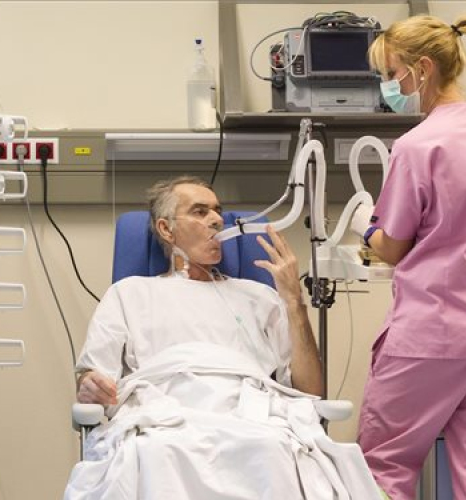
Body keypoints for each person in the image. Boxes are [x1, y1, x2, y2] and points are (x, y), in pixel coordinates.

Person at [64, 176, 387, 500]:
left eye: (217, 211)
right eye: (199, 211)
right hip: (164, 413)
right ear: (166, 229)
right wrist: (91, 384)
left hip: (251, 414)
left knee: (271, 447)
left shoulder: (259, 296)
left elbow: (310, 392)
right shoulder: (129, 294)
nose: (216, 220)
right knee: (157, 452)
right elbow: (93, 376)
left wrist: (293, 301)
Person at [353, 14, 466, 500]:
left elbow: (393, 246)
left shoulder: (418, 144)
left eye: (392, 74)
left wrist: (366, 225)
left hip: (432, 335)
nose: (389, 87)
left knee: (384, 466)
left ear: (423, 68)